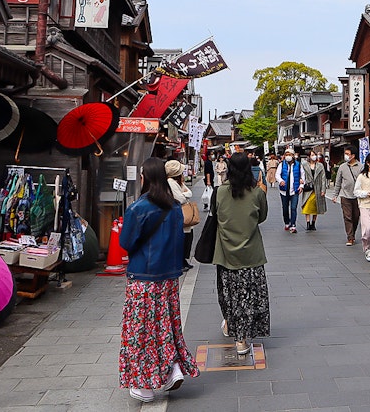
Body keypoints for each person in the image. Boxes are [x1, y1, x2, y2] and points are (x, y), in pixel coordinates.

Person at [118, 158, 199, 402]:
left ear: (145, 178)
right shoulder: (174, 207)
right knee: (166, 326)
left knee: (141, 330)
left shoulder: (138, 208)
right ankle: (173, 368)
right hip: (169, 277)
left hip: (144, 277)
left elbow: (125, 242)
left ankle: (144, 385)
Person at [213, 152, 270, 356]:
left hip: (226, 254)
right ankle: (241, 339)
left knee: (229, 295)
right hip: (251, 254)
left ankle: (231, 326)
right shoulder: (257, 193)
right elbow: (262, 217)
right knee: (247, 297)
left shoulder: (220, 192)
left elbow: (216, 215)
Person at [165, 159, 196, 271]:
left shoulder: (178, 182)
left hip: (183, 214)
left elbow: (189, 192)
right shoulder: (171, 183)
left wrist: (185, 193)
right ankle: (181, 261)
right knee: (183, 239)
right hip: (180, 214)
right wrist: (185, 195)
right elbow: (180, 198)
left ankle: (183, 260)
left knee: (187, 237)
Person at [334, 148, 362, 246]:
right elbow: (338, 182)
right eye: (345, 153)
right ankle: (350, 237)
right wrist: (335, 195)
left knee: (356, 216)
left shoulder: (361, 167)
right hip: (345, 195)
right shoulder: (342, 167)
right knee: (347, 217)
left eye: (347, 154)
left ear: (353, 156)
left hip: (357, 196)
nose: (345, 155)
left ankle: (352, 233)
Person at [275, 147, 303, 233]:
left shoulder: (298, 165)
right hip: (284, 190)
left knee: (294, 208)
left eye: (289, 155)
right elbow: (277, 175)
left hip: (295, 189)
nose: (288, 156)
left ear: (293, 156)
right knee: (285, 208)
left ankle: (293, 225)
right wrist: (280, 181)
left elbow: (302, 176)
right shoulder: (282, 165)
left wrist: (301, 185)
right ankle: (287, 222)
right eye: (286, 155)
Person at [300, 150, 327, 230]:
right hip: (308, 188)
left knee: (316, 206)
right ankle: (308, 222)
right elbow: (301, 174)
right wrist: (301, 180)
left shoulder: (320, 165)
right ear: (308, 156)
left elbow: (323, 178)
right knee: (307, 205)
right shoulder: (304, 165)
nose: (314, 156)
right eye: (312, 155)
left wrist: (323, 189)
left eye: (314, 154)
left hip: (317, 188)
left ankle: (313, 222)